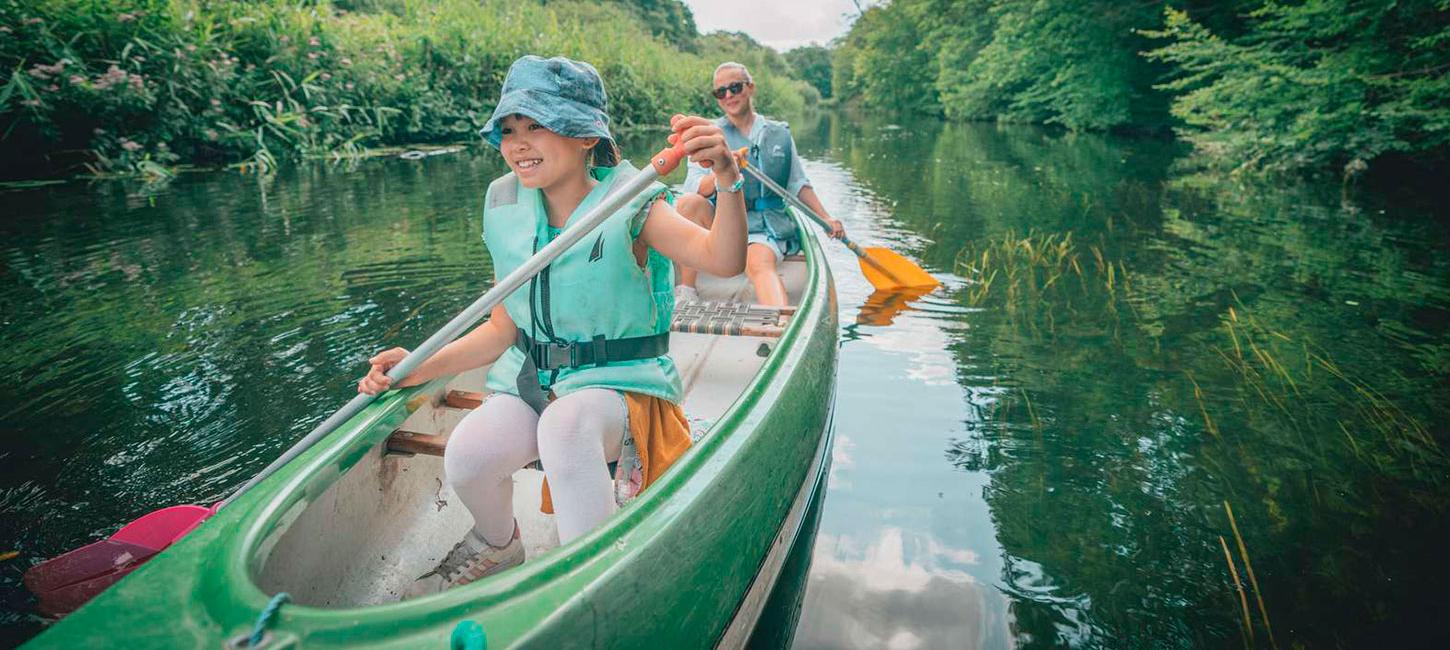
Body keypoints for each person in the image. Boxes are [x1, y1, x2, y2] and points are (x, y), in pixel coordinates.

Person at [356, 55, 747, 596]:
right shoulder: (507, 206)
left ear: (586, 136)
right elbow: (501, 330)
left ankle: (590, 579)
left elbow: (723, 261)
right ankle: (499, 545)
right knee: (468, 455)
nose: (518, 142)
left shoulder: (633, 205)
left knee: (564, 428)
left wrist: (727, 179)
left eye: (536, 125)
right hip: (535, 384)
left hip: (622, 392)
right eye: (509, 129)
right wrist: (416, 367)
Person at [675, 62, 845, 306]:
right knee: (688, 203)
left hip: (763, 226)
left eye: (735, 87)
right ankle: (687, 290)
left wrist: (826, 218)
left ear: (750, 87)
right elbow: (695, 185)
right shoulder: (710, 133)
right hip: (724, 221)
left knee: (758, 263)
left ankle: (779, 324)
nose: (729, 96)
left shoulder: (779, 133)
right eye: (721, 92)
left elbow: (798, 184)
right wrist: (724, 169)